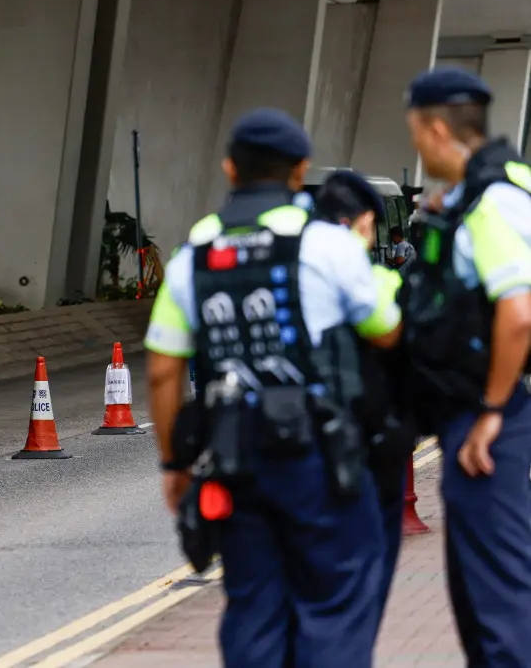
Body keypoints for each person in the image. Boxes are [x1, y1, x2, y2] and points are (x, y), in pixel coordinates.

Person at [145, 108, 402, 668]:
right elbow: (388, 331)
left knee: (252, 605)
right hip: (321, 455)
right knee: (334, 602)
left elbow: (163, 368)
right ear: (300, 171)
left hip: (236, 457)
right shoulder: (328, 247)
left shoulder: (194, 258)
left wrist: (174, 464)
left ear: (229, 168)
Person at [398, 67, 531, 665]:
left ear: (434, 128)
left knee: (498, 598)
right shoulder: (472, 196)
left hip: (489, 421)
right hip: (468, 414)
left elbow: (520, 312)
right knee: (477, 593)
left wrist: (492, 410)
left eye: (415, 133)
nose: (416, 146)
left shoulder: (493, 201)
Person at [312, 170, 417, 624]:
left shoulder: (277, 267)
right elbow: (394, 335)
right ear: (363, 224)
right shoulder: (371, 277)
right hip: (356, 447)